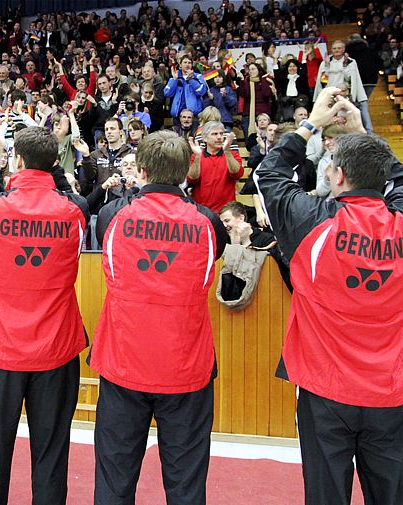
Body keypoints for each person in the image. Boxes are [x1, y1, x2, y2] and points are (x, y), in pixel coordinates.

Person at [254, 88, 403, 505]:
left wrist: (309, 123)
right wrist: (362, 132)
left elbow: (269, 176)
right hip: (390, 388)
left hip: (325, 391)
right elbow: (400, 182)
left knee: (326, 495)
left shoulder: (312, 223)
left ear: (336, 175)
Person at [90, 130, 228, 505]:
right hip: (185, 366)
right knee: (185, 483)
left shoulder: (113, 215)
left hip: (125, 361)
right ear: (186, 171)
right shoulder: (208, 222)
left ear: (144, 169)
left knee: (114, 479)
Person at [0, 120, 90, 505]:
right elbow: (66, 190)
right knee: (50, 455)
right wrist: (47, 160)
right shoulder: (75, 210)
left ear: (16, 160)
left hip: (0, 347)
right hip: (56, 349)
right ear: (54, 162)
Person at [187, 121, 243, 213]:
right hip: (201, 211)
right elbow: (192, 179)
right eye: (214, 134)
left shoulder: (232, 155)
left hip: (226, 212)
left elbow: (237, 174)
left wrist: (227, 151)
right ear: (205, 138)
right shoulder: (196, 156)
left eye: (221, 134)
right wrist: (197, 157)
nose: (219, 137)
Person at [164, 54, 208, 119]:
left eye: (189, 63)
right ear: (180, 65)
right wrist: (174, 80)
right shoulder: (174, 77)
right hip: (177, 114)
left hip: (193, 115)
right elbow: (167, 93)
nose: (187, 64)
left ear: (192, 65)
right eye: (185, 62)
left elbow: (201, 92)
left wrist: (191, 80)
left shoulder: (198, 76)